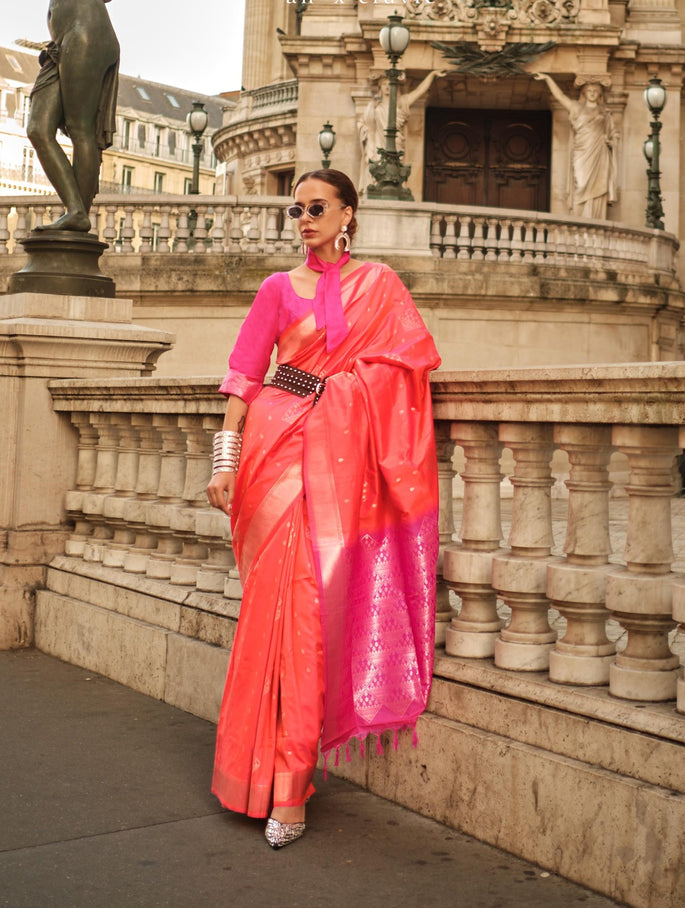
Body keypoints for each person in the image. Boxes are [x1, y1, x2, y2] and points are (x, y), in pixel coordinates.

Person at [206, 169, 440, 849]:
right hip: (272, 459)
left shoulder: (381, 287)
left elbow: (407, 370)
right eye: (295, 208)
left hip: (338, 468)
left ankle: (290, 783)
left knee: (308, 624)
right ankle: (260, 776)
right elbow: (244, 380)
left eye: (315, 207)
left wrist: (343, 394)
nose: (303, 218)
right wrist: (224, 464)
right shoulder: (277, 289)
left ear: (348, 214)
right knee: (269, 621)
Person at [27, 0, 120, 231]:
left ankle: (78, 214)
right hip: (65, 40)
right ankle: (76, 211)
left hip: (85, 30)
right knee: (38, 129)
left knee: (80, 128)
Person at [533, 73, 619, 219]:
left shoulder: (604, 112)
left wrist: (612, 142)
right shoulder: (576, 107)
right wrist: (548, 79)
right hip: (581, 152)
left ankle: (595, 219)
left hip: (599, 152)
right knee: (580, 184)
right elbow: (560, 96)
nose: (592, 93)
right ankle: (579, 219)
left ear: (599, 94)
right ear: (584, 93)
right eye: (589, 91)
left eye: (595, 91)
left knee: (598, 188)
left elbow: (614, 133)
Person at [357, 71, 445, 195]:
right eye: (384, 84)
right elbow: (365, 124)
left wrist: (432, 74)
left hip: (396, 144)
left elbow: (420, 91)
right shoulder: (374, 105)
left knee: (395, 173)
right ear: (380, 87)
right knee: (376, 173)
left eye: (390, 84)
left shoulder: (402, 103)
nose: (387, 87)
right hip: (377, 144)